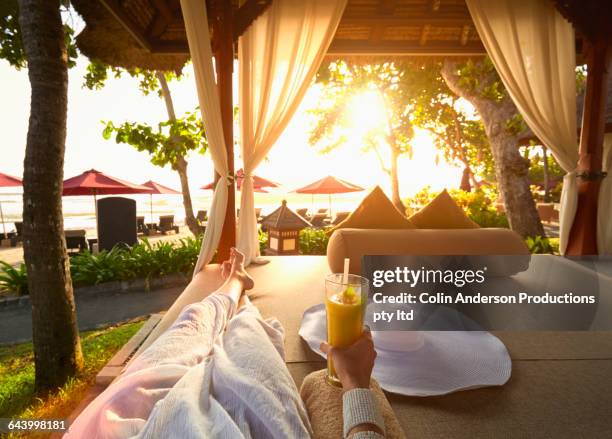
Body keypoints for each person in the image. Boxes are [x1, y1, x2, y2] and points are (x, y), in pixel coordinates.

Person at [65, 248, 384, 439]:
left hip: (120, 425)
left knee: (193, 323)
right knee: (248, 331)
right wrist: (356, 384)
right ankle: (239, 293)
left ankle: (235, 285)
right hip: (256, 426)